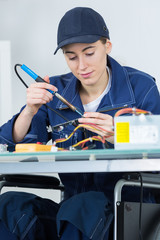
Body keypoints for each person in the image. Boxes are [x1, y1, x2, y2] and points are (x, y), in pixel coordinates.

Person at [0, 6, 160, 240]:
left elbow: (157, 145)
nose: (81, 66)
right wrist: (29, 111)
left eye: (89, 53)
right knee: (10, 205)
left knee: (83, 207)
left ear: (107, 46)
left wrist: (120, 134)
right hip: (72, 216)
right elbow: (16, 142)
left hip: (127, 211)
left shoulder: (141, 87)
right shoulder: (55, 92)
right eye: (71, 56)